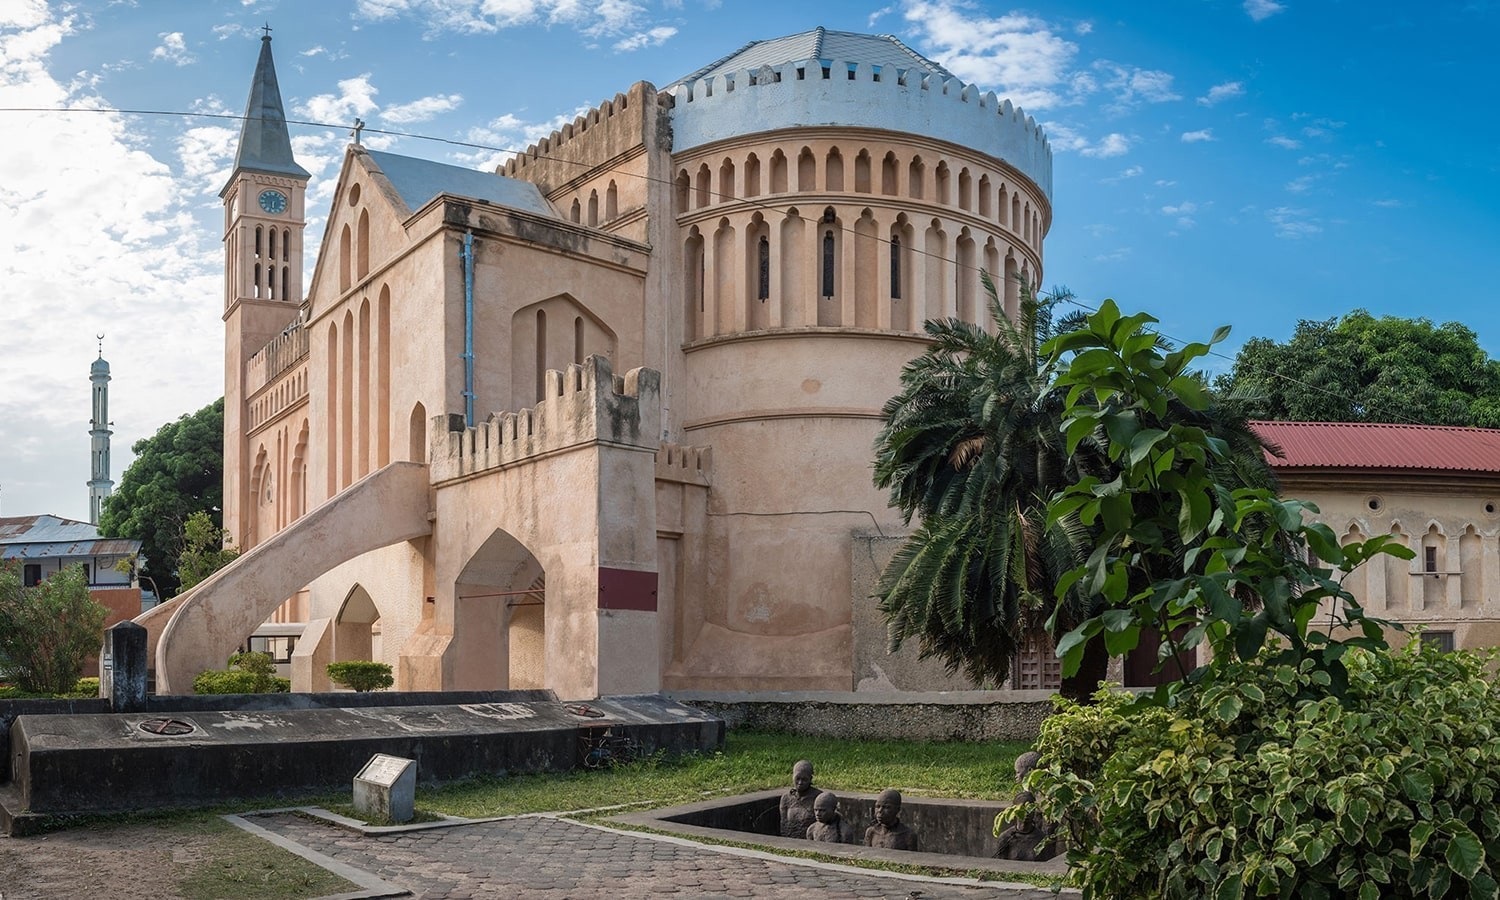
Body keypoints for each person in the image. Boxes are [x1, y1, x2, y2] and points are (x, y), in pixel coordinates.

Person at [779, 760, 822, 838]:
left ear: (810, 779)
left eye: (804, 779)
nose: (800, 782)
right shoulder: (786, 798)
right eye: (797, 778)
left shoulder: (818, 797)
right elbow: (783, 824)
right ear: (792, 777)